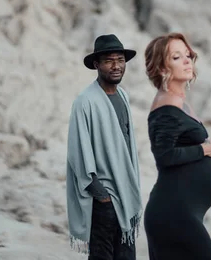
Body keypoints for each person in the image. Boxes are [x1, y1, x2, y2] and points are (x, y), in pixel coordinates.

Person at [143, 32, 211, 260]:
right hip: (173, 214)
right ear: (162, 69)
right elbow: (165, 156)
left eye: (188, 55)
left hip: (181, 213)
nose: (186, 61)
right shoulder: (166, 104)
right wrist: (205, 149)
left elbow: (191, 154)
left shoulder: (179, 102)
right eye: (176, 57)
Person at [66, 34, 143, 260]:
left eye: (120, 60)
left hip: (125, 194)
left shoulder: (123, 97)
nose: (116, 66)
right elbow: (78, 155)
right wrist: (102, 196)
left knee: (126, 255)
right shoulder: (85, 102)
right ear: (96, 65)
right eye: (109, 61)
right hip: (104, 198)